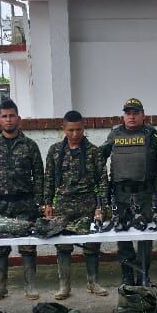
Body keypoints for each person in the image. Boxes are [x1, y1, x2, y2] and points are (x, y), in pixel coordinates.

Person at [0, 99, 44, 302]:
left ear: (19, 119)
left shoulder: (30, 145)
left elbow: (39, 175)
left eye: (12, 116)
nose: (8, 120)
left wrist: (39, 201)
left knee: (27, 246)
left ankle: (30, 286)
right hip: (0, 204)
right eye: (4, 116)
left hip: (25, 203)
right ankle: (0, 287)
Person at [43, 110, 109, 299]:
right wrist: (47, 203)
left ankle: (93, 282)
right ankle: (64, 286)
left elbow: (102, 180)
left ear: (84, 128)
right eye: (71, 130)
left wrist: (102, 206)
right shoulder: (55, 151)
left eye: (78, 129)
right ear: (63, 129)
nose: (75, 134)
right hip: (63, 205)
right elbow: (49, 178)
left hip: (87, 204)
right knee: (63, 246)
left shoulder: (94, 151)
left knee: (92, 245)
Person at [101, 98, 157, 286]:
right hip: (121, 194)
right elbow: (99, 157)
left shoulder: (153, 135)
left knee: (146, 237)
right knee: (123, 236)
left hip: (145, 194)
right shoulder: (114, 135)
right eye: (128, 113)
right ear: (123, 116)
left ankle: (143, 275)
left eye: (136, 113)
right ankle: (127, 276)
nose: (131, 116)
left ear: (143, 115)